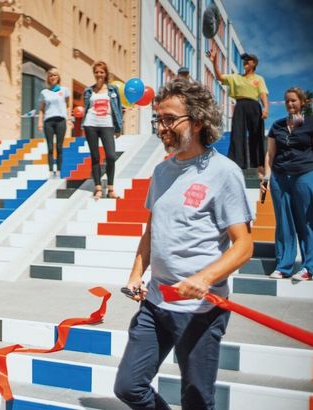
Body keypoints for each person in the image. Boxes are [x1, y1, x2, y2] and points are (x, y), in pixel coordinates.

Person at [114, 80, 254, 410]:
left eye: (169, 119)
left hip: (201, 310)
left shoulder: (224, 172)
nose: (161, 127)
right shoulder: (162, 171)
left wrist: (204, 279)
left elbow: (244, 245)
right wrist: (136, 274)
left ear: (198, 120)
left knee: (196, 401)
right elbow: (152, 230)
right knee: (129, 387)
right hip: (156, 303)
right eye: (158, 119)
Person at [261, 87, 313, 280]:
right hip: (279, 177)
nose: (290, 104)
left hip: (305, 174)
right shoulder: (277, 125)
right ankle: (284, 266)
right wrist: (267, 177)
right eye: (287, 101)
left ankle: (309, 267)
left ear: (303, 102)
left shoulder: (310, 123)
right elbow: (270, 154)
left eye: (294, 101)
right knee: (283, 222)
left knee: (307, 221)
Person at [209, 49, 269, 179]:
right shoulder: (236, 77)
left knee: (256, 135)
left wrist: (266, 108)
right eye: (244, 61)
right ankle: (237, 165)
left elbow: (263, 94)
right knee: (237, 134)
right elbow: (219, 77)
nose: (245, 62)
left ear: (254, 63)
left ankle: (258, 167)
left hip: (254, 105)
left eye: (248, 60)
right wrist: (214, 62)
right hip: (240, 105)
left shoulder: (259, 79)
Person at [82, 61, 124, 200]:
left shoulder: (112, 90)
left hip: (107, 124)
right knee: (95, 157)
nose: (99, 74)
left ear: (105, 74)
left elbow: (117, 109)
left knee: (111, 156)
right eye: (97, 72)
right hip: (91, 124)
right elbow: (87, 107)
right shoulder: (88, 90)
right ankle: (98, 188)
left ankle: (111, 189)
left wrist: (118, 128)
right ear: (94, 73)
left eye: (102, 72)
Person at [38, 67, 71, 177]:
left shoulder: (64, 90)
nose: (53, 77)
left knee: (60, 146)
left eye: (55, 75)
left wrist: (69, 118)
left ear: (58, 77)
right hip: (48, 121)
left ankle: (60, 170)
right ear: (48, 78)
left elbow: (68, 105)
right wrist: (40, 122)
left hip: (61, 120)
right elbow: (42, 109)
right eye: (51, 75)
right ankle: (51, 171)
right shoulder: (44, 92)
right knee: (50, 147)